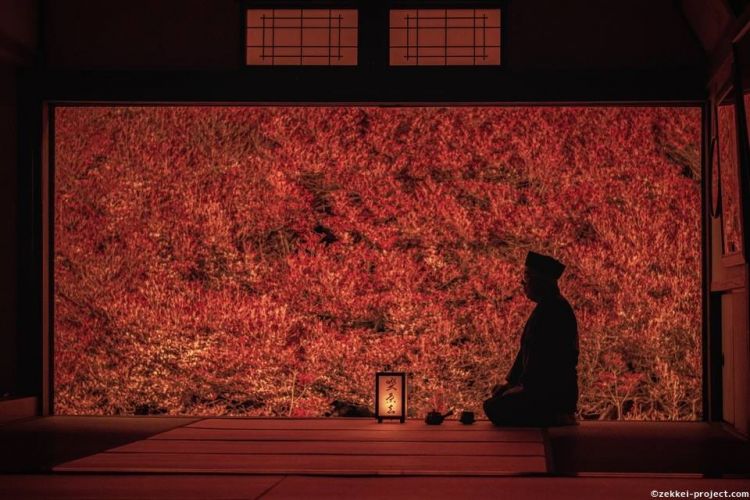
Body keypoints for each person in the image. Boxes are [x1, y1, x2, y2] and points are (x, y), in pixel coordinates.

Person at [483, 251, 579, 426]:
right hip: (544, 390)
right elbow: (526, 353)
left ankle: (555, 416)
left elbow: (545, 361)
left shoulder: (554, 311)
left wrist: (521, 387)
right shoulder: (550, 307)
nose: (522, 283)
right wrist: (510, 383)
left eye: (527, 277)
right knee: (495, 401)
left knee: (493, 407)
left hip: (550, 394)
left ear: (541, 280)